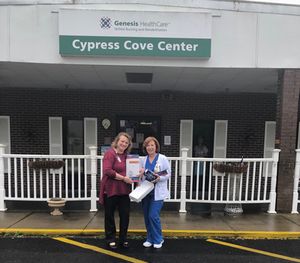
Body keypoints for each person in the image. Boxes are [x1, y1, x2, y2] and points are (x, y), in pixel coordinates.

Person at [99, 132, 133, 249]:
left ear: (128, 145)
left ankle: (123, 239)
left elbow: (132, 171)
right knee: (109, 216)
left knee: (125, 216)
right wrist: (123, 178)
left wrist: (138, 173)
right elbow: (107, 171)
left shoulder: (127, 156)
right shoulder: (110, 154)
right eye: (122, 141)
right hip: (111, 190)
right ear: (117, 141)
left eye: (126, 142)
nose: (124, 144)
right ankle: (110, 238)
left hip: (124, 191)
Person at [140, 137, 171, 249]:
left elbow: (168, 174)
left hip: (157, 193)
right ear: (145, 147)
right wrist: (141, 173)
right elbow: (140, 176)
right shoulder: (143, 160)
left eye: (152, 145)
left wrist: (159, 178)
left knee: (153, 215)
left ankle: (158, 239)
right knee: (147, 217)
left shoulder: (162, 158)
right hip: (145, 192)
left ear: (156, 146)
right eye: (148, 145)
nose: (150, 147)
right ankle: (150, 238)